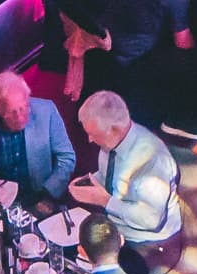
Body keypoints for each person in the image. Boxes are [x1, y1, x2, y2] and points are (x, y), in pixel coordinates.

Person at [70, 91, 178, 251]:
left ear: (114, 130)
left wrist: (105, 201)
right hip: (115, 225)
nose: (89, 140)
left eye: (93, 134)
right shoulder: (110, 143)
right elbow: (108, 176)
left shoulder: (153, 160)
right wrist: (89, 183)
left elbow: (151, 220)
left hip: (146, 239)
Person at [0, 71, 79, 198]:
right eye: (12, 112)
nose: (20, 116)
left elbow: (66, 158)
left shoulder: (47, 111)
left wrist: (48, 195)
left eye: (24, 107)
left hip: (40, 194)